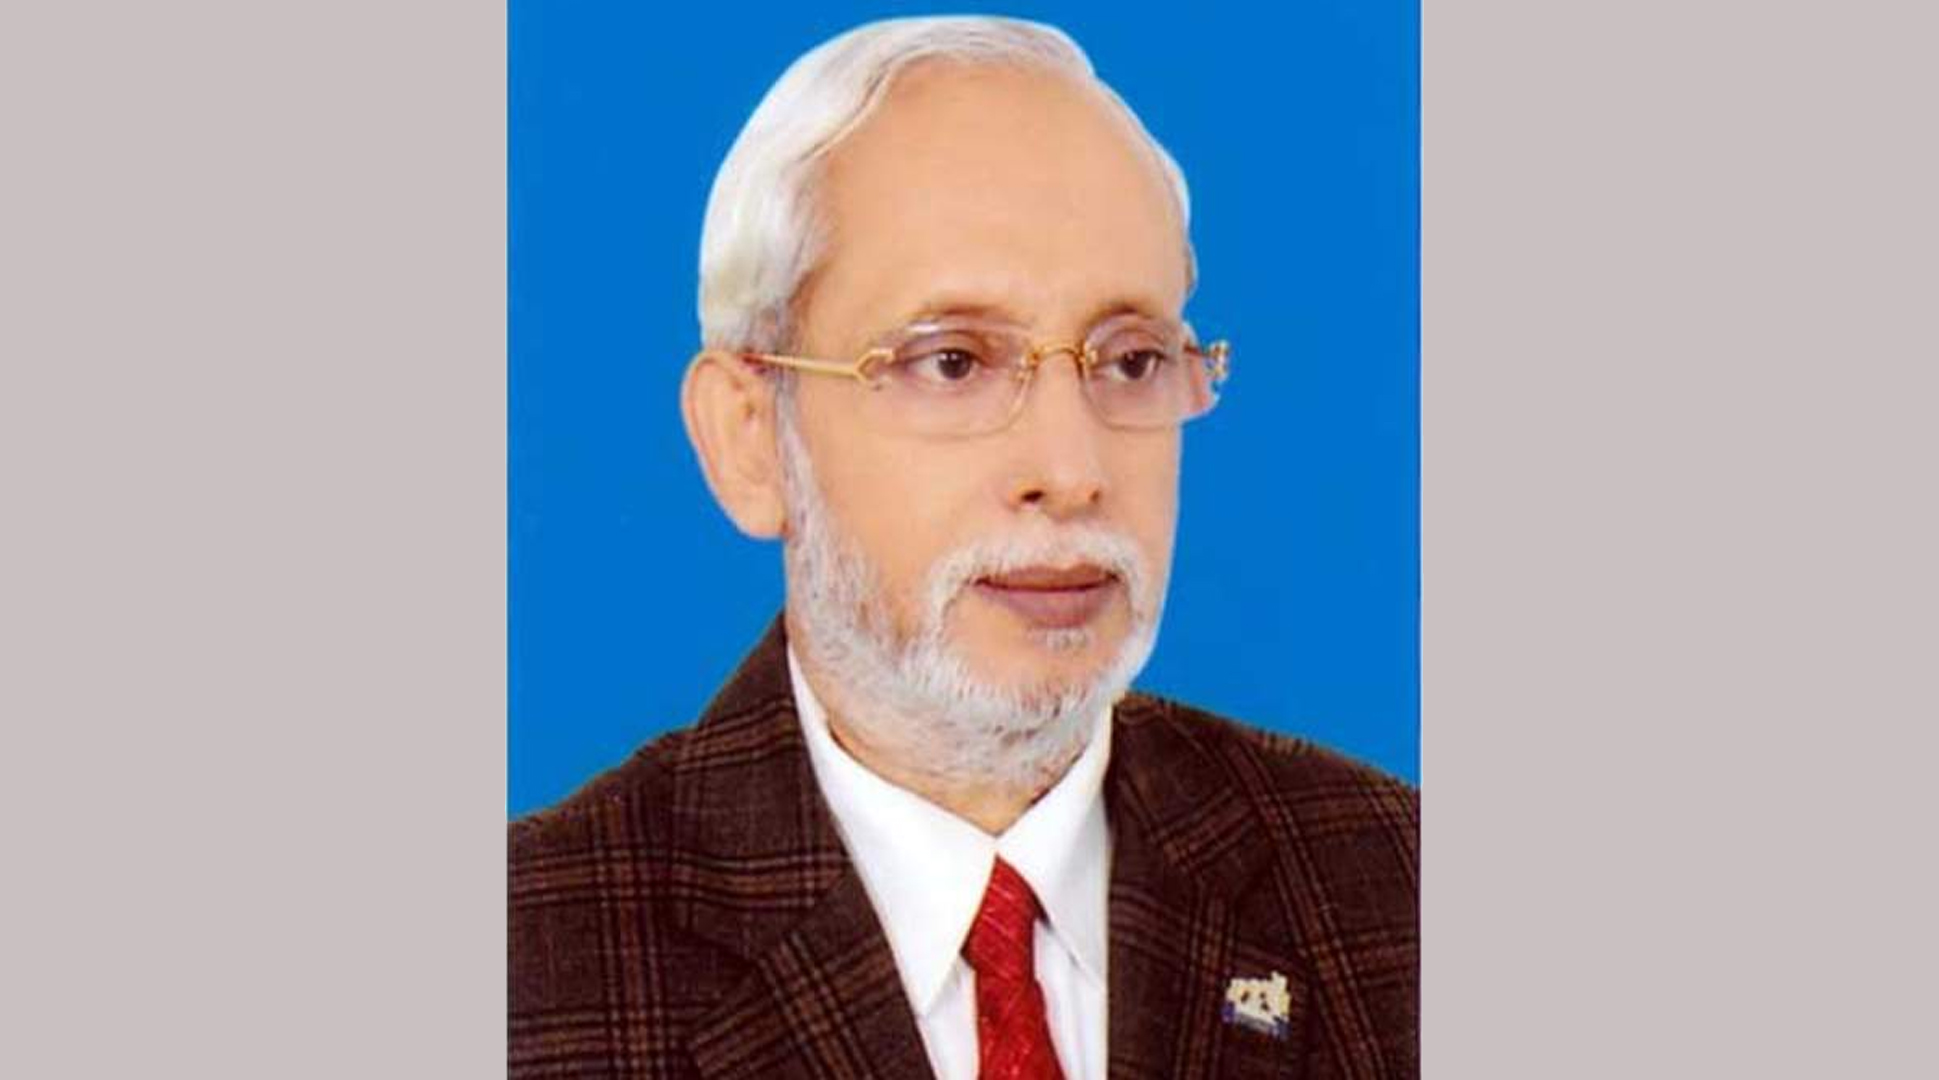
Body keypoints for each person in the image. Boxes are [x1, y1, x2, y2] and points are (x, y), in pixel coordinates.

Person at [510, 16, 1417, 1079]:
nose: (1070, 468)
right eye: (951, 363)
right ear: (751, 439)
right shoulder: (523, 967)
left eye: (1129, 361)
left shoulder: (1397, 885)